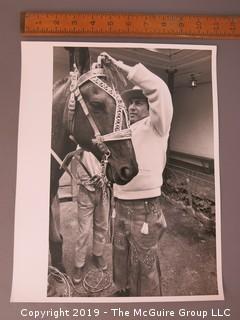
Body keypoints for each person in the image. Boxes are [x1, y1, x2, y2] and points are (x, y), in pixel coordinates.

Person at [100, 52, 173, 296]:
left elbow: (159, 89)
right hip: (119, 203)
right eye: (130, 103)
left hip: (145, 207)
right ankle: (122, 291)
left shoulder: (157, 125)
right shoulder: (125, 130)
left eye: (138, 102)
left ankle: (149, 304)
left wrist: (121, 66)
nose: (132, 107)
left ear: (150, 106)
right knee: (120, 253)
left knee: (145, 260)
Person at [72, 148, 110, 285]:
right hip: (85, 191)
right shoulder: (82, 143)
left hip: (103, 190)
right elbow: (74, 161)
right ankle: (79, 264)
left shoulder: (106, 145)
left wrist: (105, 179)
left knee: (102, 226)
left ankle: (97, 254)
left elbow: (111, 166)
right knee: (84, 231)